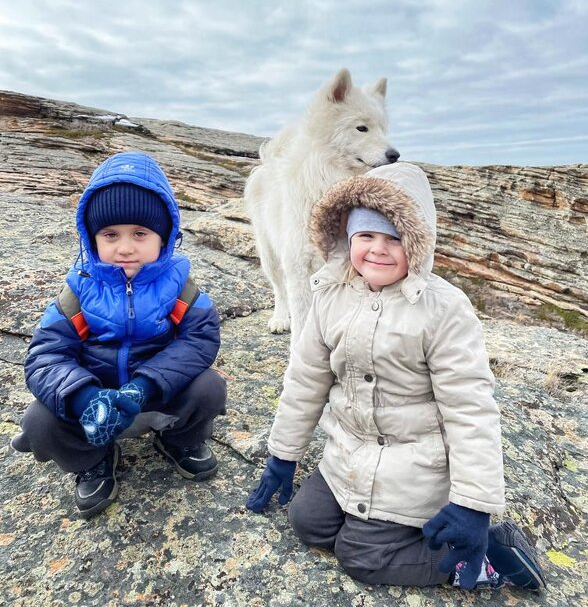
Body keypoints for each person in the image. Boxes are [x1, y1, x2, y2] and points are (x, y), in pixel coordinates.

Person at [246, 162, 545, 591]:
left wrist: (473, 504)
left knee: (360, 556)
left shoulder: (444, 309)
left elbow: (469, 409)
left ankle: (488, 561)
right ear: (346, 237)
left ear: (418, 242)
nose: (378, 250)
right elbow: (305, 378)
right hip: (349, 454)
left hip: (414, 466)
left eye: (394, 238)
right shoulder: (331, 294)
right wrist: (283, 454)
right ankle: (390, 526)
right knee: (307, 522)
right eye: (365, 236)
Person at [12, 151, 226, 518]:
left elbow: (200, 340)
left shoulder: (181, 288)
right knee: (38, 422)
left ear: (164, 237)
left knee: (210, 387)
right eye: (110, 234)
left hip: (154, 399)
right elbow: (45, 355)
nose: (125, 247)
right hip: (94, 411)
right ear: (92, 238)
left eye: (140, 234)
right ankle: (94, 458)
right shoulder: (77, 292)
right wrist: (84, 398)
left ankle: (179, 440)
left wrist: (144, 386)